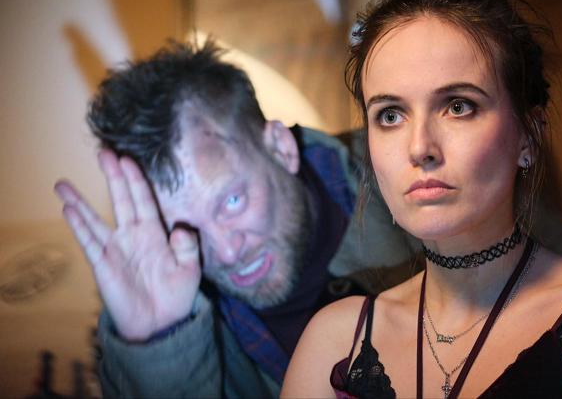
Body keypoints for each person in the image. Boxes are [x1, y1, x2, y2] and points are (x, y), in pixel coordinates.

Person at [281, 0, 562, 398]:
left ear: (528, 135)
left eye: (458, 106)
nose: (420, 148)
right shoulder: (335, 340)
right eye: (390, 115)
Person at [54, 41, 419, 398]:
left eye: (231, 201)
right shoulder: (170, 312)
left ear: (281, 148)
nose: (227, 253)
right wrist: (161, 347)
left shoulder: (415, 173)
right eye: (184, 231)